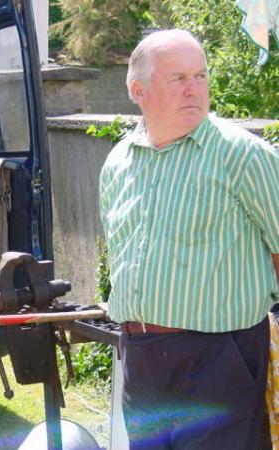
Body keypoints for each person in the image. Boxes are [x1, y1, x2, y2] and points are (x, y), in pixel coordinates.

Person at [99, 29, 279, 450]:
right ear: (137, 90)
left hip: (220, 359)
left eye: (200, 76)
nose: (193, 89)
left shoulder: (243, 156)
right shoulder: (118, 164)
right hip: (140, 358)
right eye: (178, 78)